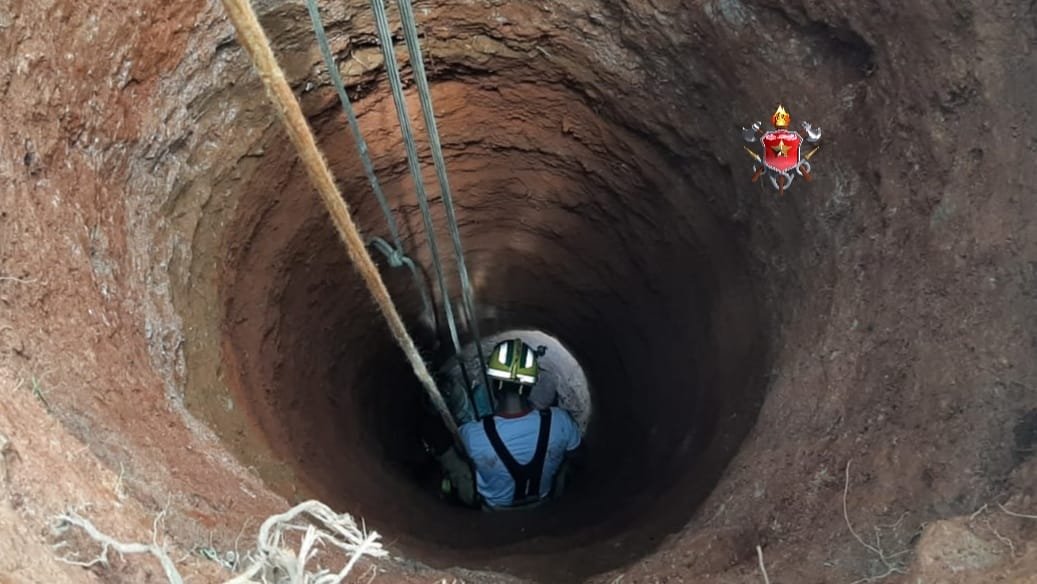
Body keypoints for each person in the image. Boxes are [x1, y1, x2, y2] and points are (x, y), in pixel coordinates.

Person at [433, 338, 583, 510]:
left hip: (494, 509)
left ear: (495, 385)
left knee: (448, 452)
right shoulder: (560, 422)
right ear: (531, 385)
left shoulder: (472, 434)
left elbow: (458, 450)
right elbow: (579, 456)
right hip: (543, 503)